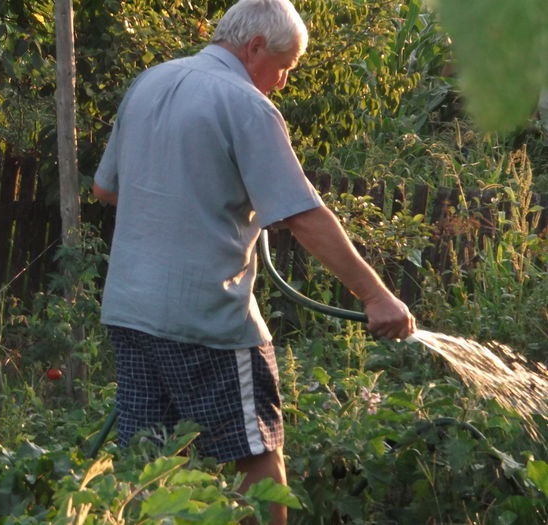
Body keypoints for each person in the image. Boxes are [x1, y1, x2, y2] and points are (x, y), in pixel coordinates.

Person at [92, 0, 416, 522]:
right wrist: (376, 296)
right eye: (285, 67)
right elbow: (304, 217)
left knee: (150, 465)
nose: (284, 83)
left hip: (130, 310)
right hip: (207, 319)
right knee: (256, 457)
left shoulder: (149, 83)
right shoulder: (245, 104)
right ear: (256, 47)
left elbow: (107, 190)